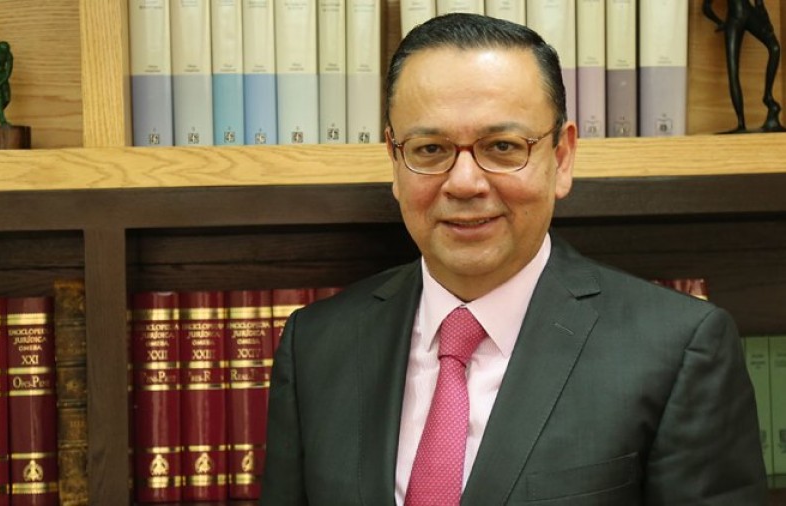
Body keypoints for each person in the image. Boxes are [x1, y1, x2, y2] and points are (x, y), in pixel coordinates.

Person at [261, 13, 767, 505]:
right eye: (430, 149)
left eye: (502, 146)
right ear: (394, 161)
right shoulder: (316, 345)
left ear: (562, 158)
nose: (464, 183)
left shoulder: (677, 350)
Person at [702, 0, 785, 132]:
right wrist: (720, 22)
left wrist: (766, 20)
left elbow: (706, 8)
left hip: (742, 15)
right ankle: (741, 122)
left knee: (774, 49)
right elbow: (706, 7)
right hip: (739, 17)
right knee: (733, 71)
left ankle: (767, 96)